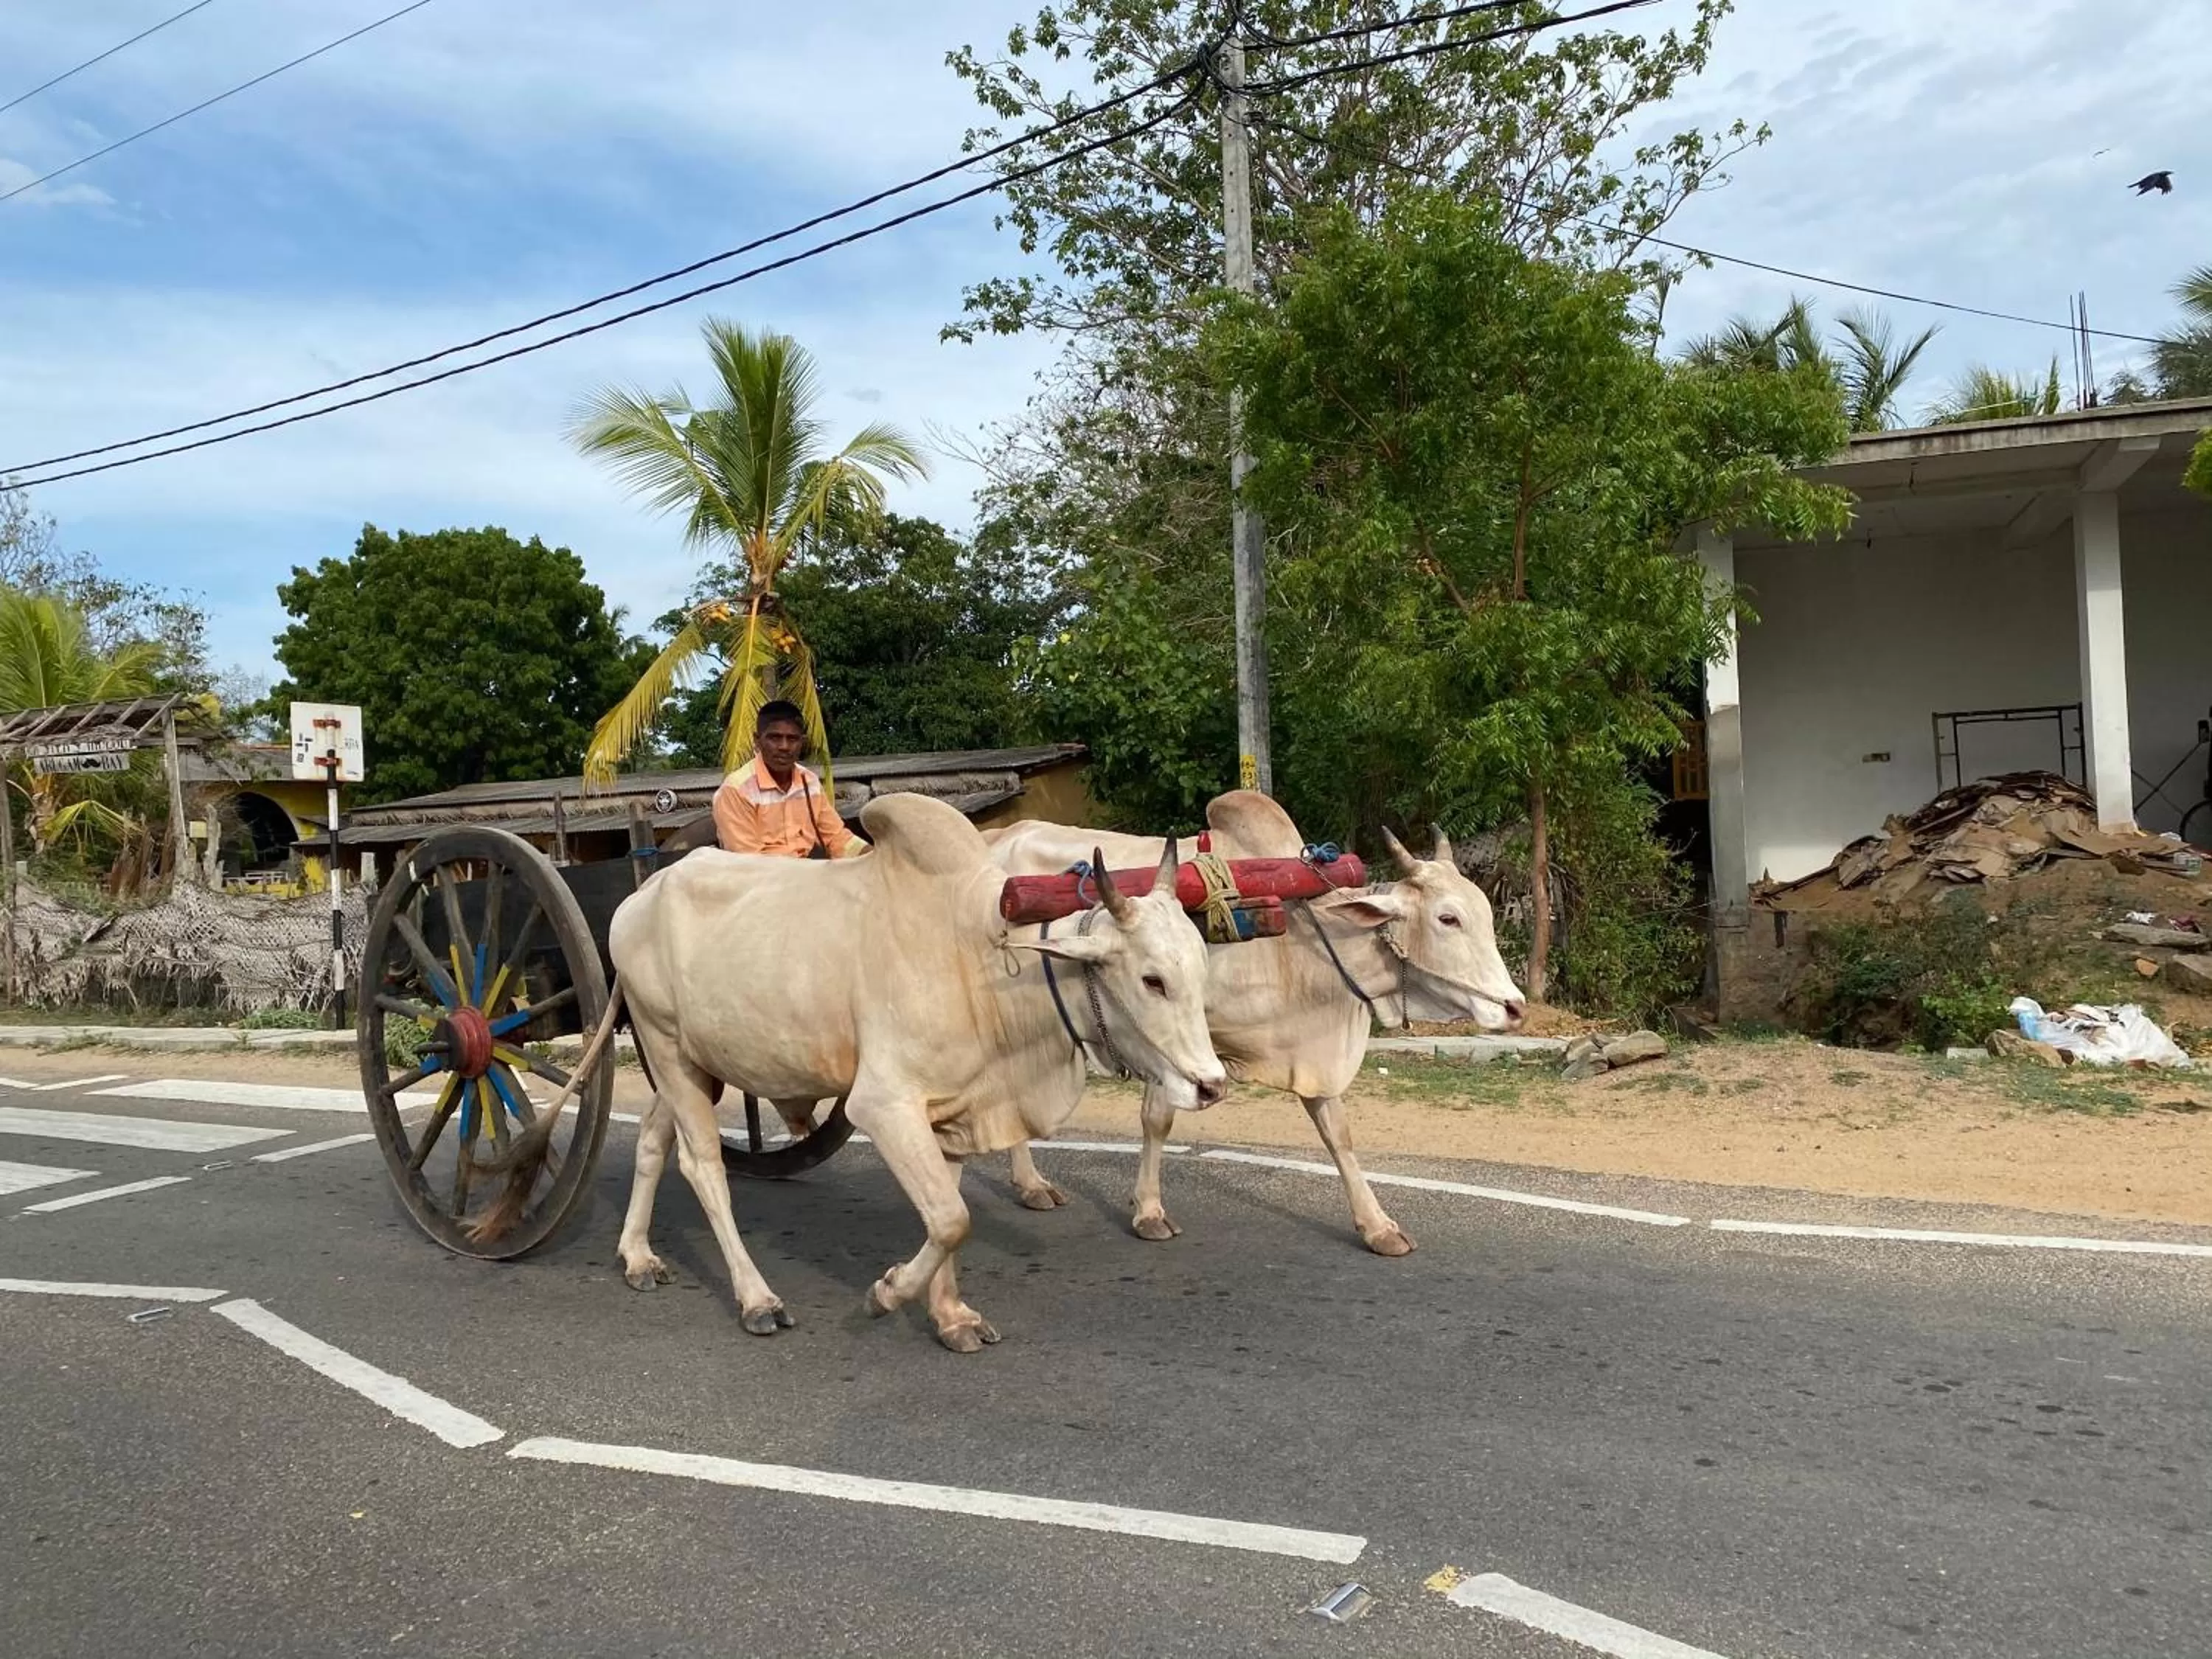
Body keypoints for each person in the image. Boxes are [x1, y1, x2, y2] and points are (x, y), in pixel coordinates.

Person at [711, 699, 868, 859]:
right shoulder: (737, 790)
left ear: (802, 742)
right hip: (761, 873)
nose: (784, 747)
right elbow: (750, 861)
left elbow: (836, 838)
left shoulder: (809, 782)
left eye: (792, 739)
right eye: (775, 738)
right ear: (757, 740)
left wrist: (874, 854)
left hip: (806, 870)